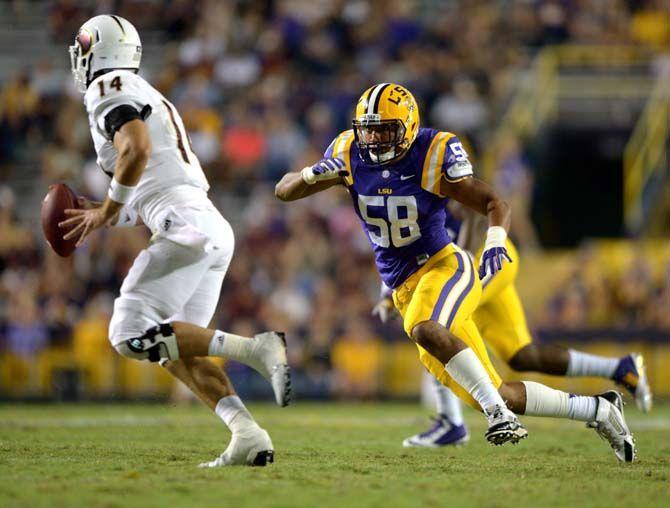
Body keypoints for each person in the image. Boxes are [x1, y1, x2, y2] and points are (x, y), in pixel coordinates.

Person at [275, 83, 636, 462]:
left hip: (445, 265)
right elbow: (284, 192)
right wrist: (311, 174)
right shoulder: (349, 152)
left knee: (426, 328)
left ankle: (499, 417)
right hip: (404, 286)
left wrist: (495, 239)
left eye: (385, 129)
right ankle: (599, 410)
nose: (375, 138)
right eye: (369, 129)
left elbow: (493, 202)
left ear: (409, 127)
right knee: (495, 389)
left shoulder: (430, 152)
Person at [60, 15, 291, 467]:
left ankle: (253, 348)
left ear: (96, 51)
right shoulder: (148, 92)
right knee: (172, 347)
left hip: (184, 225)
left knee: (128, 333)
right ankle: (247, 433)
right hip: (205, 225)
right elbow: (150, 186)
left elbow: (137, 149)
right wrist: (108, 210)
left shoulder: (105, 87)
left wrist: (108, 208)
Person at [371, 204, 651, 448]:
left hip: (483, 260)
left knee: (437, 325)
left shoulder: (428, 166)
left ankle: (451, 422)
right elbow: (398, 244)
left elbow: (474, 211)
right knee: (521, 355)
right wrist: (388, 293)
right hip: (481, 263)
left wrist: (462, 265)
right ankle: (618, 369)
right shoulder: (384, 185)